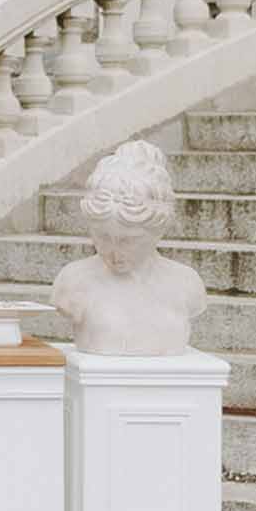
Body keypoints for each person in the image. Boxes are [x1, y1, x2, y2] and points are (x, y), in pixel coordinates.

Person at [52, 139, 206, 357]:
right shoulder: (73, 282)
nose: (113, 252)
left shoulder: (186, 284)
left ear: (159, 231)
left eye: (128, 241)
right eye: (103, 238)